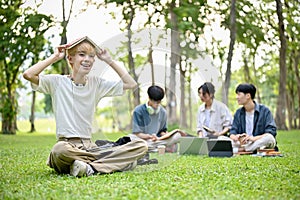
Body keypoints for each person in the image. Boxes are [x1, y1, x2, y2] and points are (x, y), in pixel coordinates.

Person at [23, 36, 148, 177]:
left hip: (90, 148)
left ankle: (89, 168)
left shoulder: (97, 84)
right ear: (70, 59)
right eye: (82, 55)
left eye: (91, 56)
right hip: (68, 147)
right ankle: (113, 163)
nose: (87, 59)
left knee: (140, 145)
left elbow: (131, 84)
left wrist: (109, 60)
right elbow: (28, 74)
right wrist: (54, 57)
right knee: (59, 150)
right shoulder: (57, 82)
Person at [129, 85, 186, 156]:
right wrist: (150, 137)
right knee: (131, 138)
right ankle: (160, 148)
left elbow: (162, 131)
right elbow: (137, 134)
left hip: (158, 140)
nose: (157, 104)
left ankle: (153, 148)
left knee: (177, 136)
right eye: (155, 102)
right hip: (144, 140)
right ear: (149, 98)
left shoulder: (163, 112)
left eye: (159, 102)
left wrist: (167, 135)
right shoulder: (138, 111)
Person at [229, 83, 277, 153]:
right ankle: (249, 149)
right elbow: (232, 132)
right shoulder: (238, 113)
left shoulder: (264, 111)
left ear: (248, 96)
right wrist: (237, 137)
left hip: (257, 141)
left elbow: (271, 132)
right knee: (221, 139)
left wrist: (253, 138)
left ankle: (242, 150)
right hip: (242, 144)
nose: (237, 97)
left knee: (270, 139)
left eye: (239, 94)